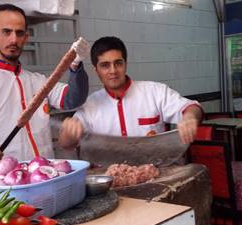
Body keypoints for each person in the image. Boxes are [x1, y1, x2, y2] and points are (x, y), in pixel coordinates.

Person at [0, 4, 90, 172]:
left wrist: (76, 65)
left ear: (26, 37)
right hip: (8, 183)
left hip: (46, 174)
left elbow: (73, 98)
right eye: (6, 32)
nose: (13, 39)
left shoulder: (39, 81)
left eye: (19, 33)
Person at [58, 36, 203, 148]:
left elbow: (192, 107)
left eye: (118, 63)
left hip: (156, 172)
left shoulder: (154, 92)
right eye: (105, 65)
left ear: (125, 64)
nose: (113, 71)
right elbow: (66, 144)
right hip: (110, 178)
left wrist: (190, 117)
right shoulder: (90, 105)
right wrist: (68, 132)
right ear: (96, 70)